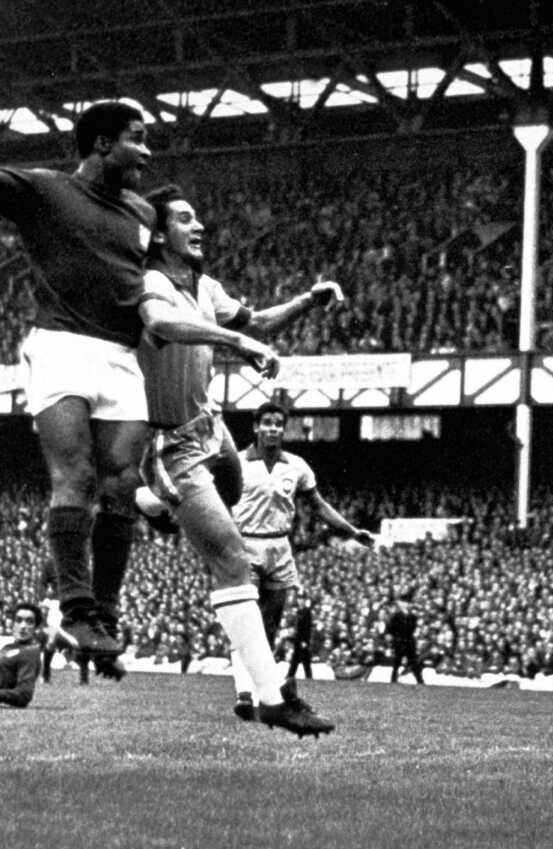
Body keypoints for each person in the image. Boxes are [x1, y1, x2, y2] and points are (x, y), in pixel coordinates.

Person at [0, 54, 151, 674]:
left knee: (123, 485)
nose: (146, 153)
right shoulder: (45, 190)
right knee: (77, 479)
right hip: (62, 346)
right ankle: (73, 607)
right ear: (103, 143)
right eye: (137, 140)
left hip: (123, 355)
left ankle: (105, 611)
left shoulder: (142, 216)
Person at [134, 183, 332, 737]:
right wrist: (236, 345)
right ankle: (269, 697)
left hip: (211, 429)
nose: (199, 227)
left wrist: (308, 301)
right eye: (185, 219)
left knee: (234, 481)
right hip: (168, 441)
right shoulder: (149, 283)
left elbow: (261, 324)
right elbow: (164, 326)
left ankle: (151, 502)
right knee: (231, 558)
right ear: (157, 234)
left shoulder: (204, 284)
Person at [230, 402, 376, 715]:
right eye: (266, 423)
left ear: (284, 429)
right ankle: (243, 692)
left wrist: (352, 532)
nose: (272, 429)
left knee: (269, 626)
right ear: (256, 427)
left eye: (278, 424)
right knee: (247, 621)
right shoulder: (237, 463)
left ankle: (259, 692)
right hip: (245, 545)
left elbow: (319, 507)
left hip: (280, 548)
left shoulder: (296, 466)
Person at [387, 592, 424, 685]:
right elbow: (390, 629)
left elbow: (414, 629)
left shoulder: (413, 617)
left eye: (408, 603)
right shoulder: (396, 616)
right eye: (404, 602)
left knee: (413, 662)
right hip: (399, 641)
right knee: (397, 662)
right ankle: (393, 679)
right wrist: (393, 638)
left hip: (409, 642)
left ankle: (420, 681)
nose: (406, 605)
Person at [285, 594, 315, 682]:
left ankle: (304, 676)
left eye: (302, 599)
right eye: (299, 599)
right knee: (297, 658)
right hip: (298, 639)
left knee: (303, 659)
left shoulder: (306, 611)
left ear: (305, 600)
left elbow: (307, 627)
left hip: (303, 639)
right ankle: (292, 675)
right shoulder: (299, 611)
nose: (300, 601)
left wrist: (304, 640)